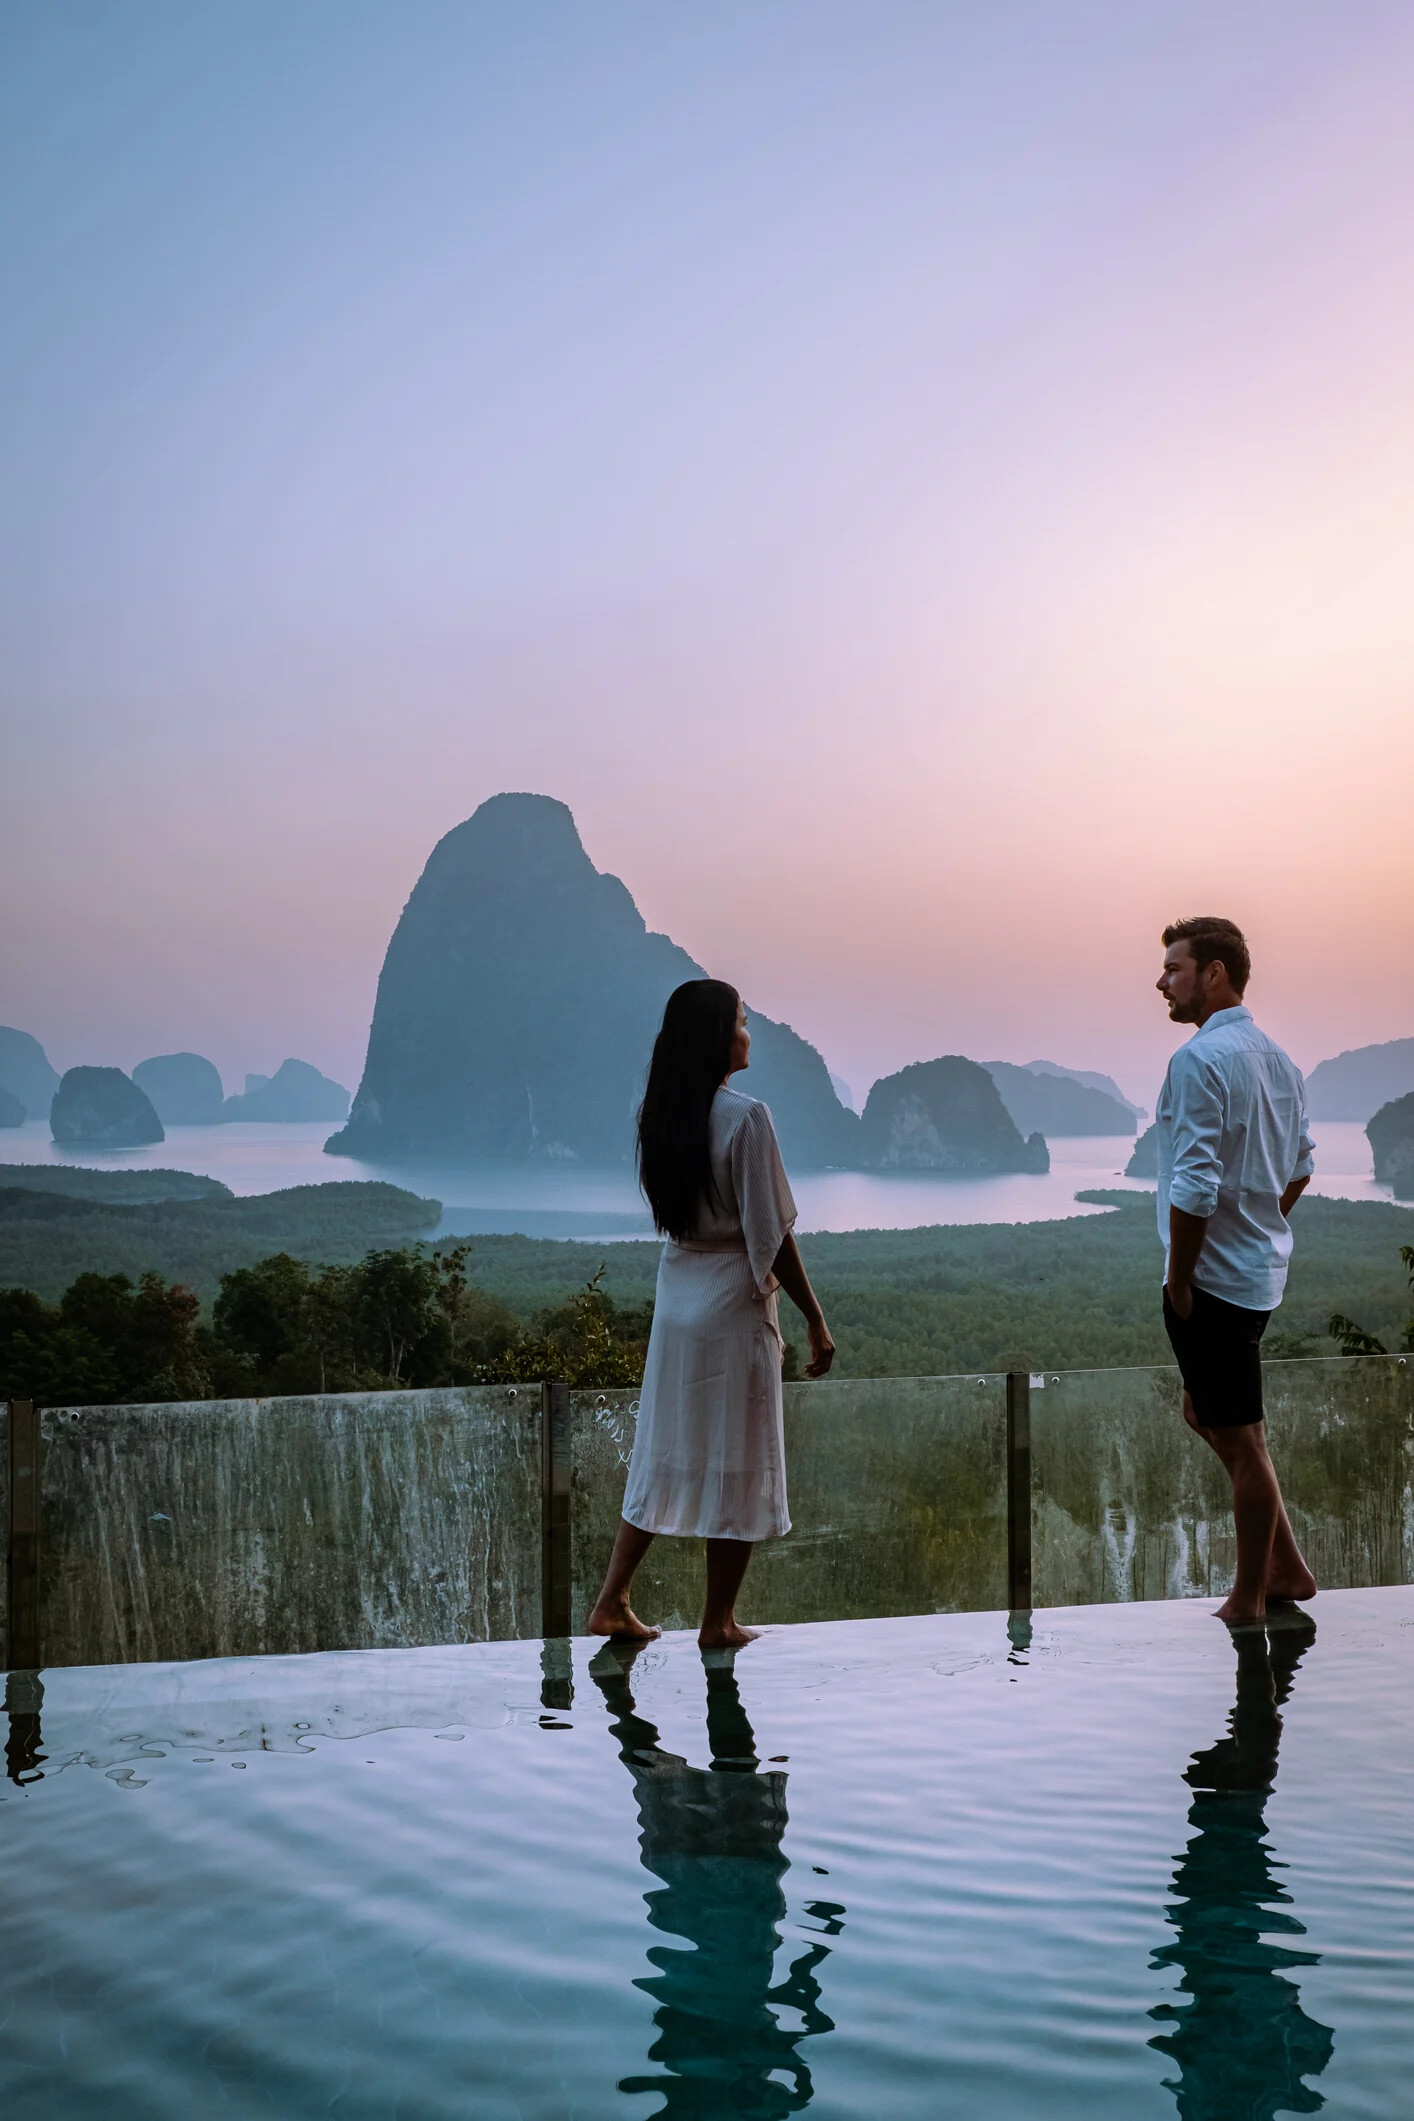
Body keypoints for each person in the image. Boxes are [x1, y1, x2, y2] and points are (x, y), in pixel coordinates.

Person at [587, 979, 834, 1649]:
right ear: (718, 1036)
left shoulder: (658, 1112)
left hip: (677, 1299)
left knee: (663, 1450)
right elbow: (771, 1234)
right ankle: (718, 1620)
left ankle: (613, 1598)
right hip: (730, 1303)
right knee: (739, 1455)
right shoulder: (746, 1117)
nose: (749, 1034)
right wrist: (813, 1314)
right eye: (743, 1022)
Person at [1155, 916, 1318, 1626]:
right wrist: (1259, 1223)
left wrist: (1183, 1279)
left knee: (1243, 1436)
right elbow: (1302, 1164)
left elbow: (1193, 1185)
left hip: (1212, 1283)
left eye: (1174, 967)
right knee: (1209, 1412)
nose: (1161, 980)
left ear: (1214, 973)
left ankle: (1255, 1594)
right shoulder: (1280, 1060)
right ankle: (1287, 1562)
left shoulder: (1199, 1060)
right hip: (1257, 1275)